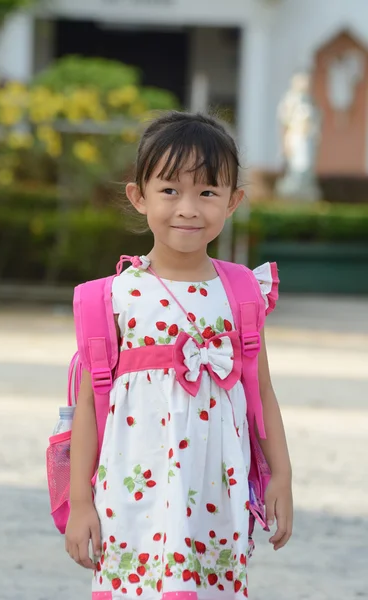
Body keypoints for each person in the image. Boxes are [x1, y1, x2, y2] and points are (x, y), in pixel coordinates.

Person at [65, 111, 293, 599]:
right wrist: (80, 502)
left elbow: (263, 392)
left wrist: (281, 477)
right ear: (138, 196)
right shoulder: (114, 297)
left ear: (233, 202)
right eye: (170, 190)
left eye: (207, 192)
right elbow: (88, 405)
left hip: (214, 487)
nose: (188, 208)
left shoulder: (241, 293)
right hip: (133, 485)